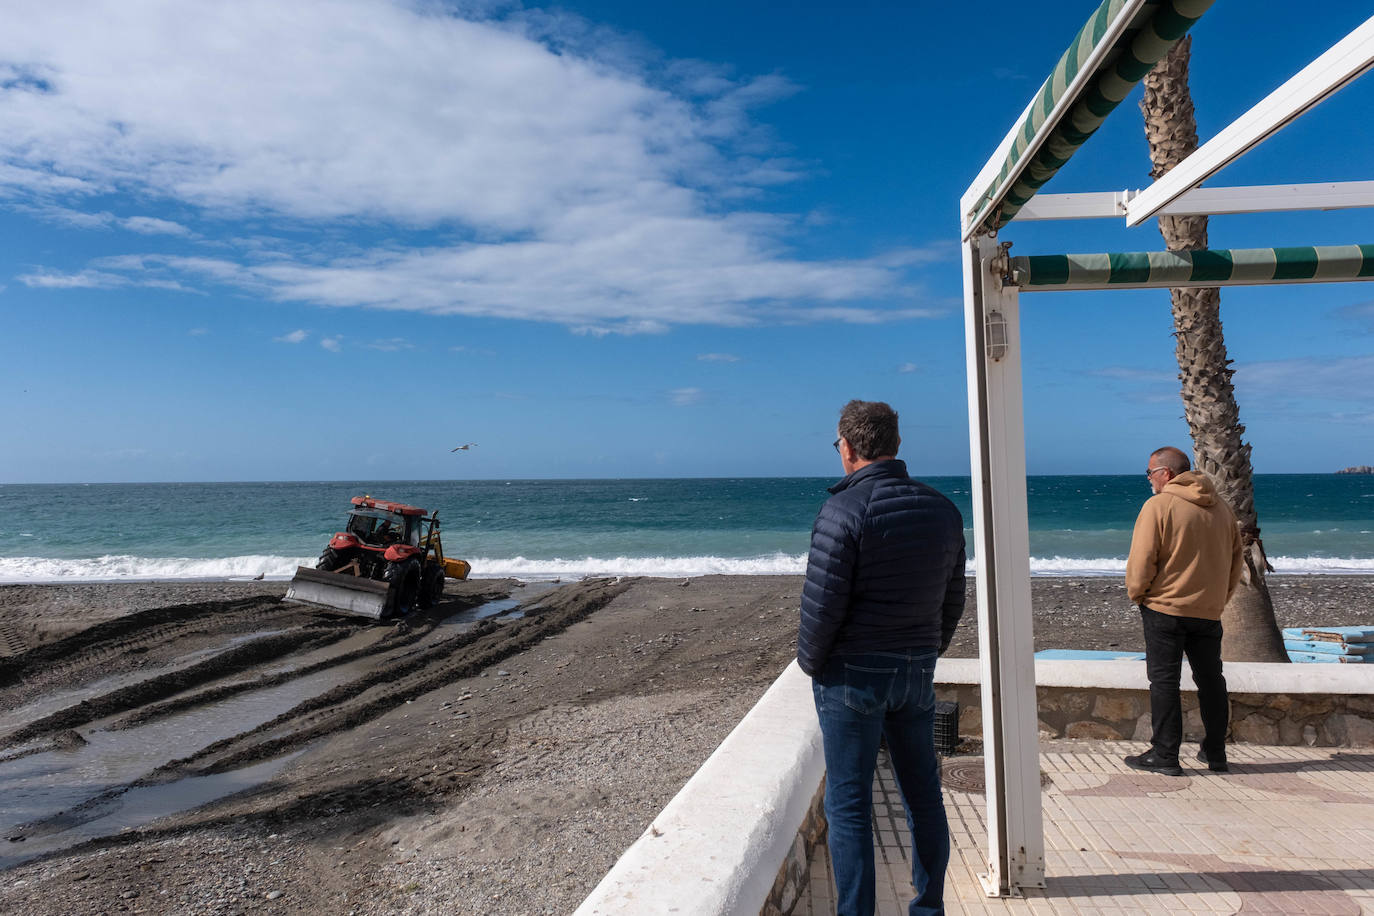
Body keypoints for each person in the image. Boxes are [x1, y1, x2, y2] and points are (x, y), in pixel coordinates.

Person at [798, 400, 966, 916]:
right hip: (914, 670)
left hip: (852, 675)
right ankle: (928, 907)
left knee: (848, 806)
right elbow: (952, 596)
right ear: (895, 444)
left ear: (847, 448)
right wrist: (926, 650)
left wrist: (812, 663)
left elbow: (822, 604)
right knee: (923, 794)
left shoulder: (844, 509)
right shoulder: (941, 508)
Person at [1124, 446, 1244, 776]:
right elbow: (1236, 562)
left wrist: (1138, 595)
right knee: (1211, 680)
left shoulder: (1159, 505)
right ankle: (1216, 752)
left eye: (1150, 473)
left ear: (1166, 474)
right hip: (1207, 610)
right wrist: (1219, 599)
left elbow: (1142, 559)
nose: (1148, 479)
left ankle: (1165, 754)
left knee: (1164, 681)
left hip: (1165, 607)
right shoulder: (1221, 509)